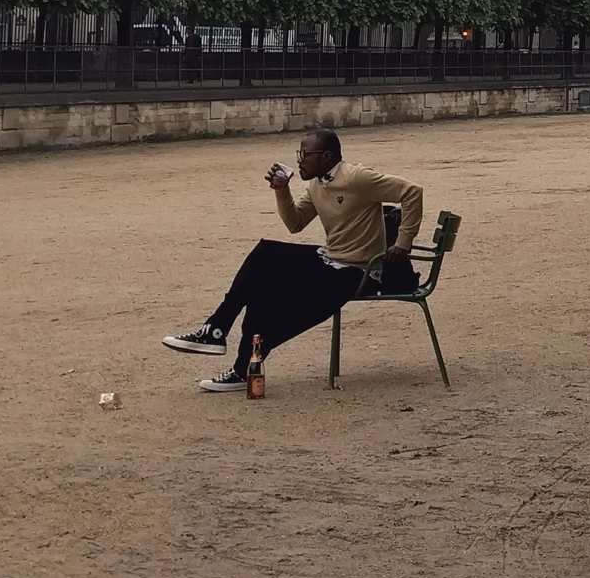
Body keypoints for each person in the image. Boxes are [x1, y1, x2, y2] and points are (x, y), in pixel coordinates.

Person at [162, 127, 424, 392]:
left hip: (359, 271)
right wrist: (281, 190)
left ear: (326, 156)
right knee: (265, 259)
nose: (299, 160)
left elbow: (412, 192)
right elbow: (295, 223)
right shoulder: (317, 185)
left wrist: (403, 243)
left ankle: (233, 355)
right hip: (330, 260)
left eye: (305, 154)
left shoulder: (357, 177)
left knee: (273, 287)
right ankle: (218, 334)